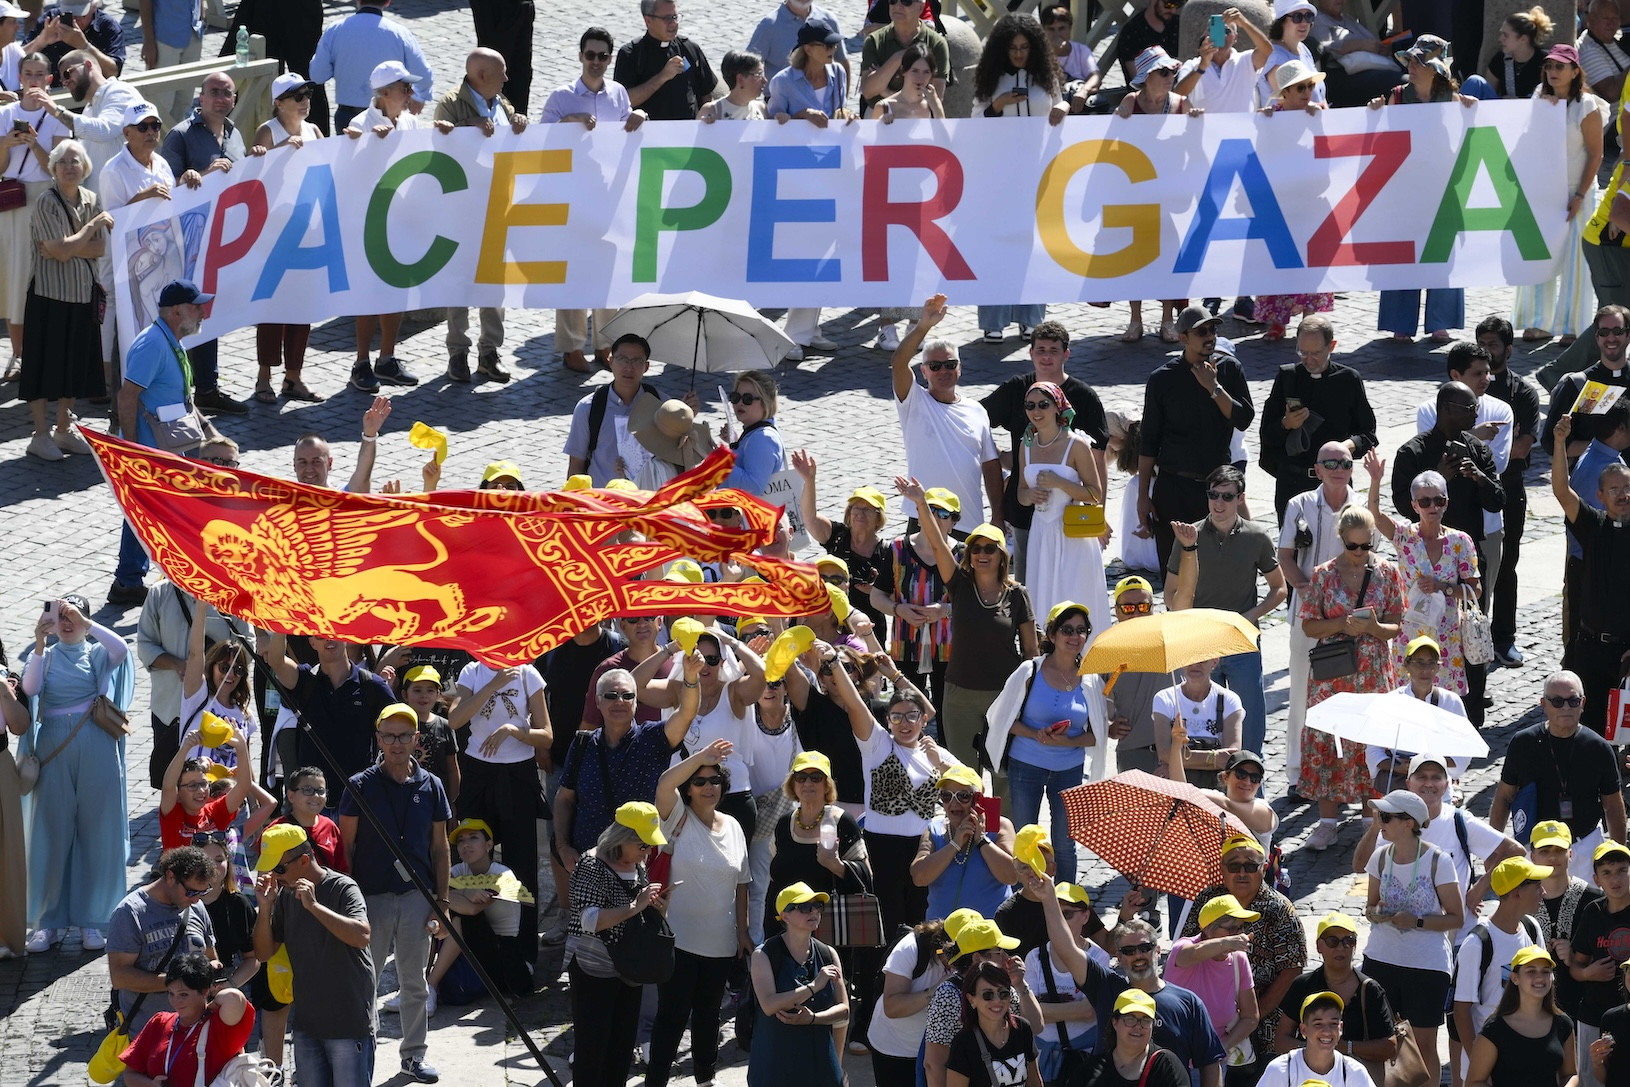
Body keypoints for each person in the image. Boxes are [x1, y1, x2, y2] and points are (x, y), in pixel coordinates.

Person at [337, 703, 451, 1084]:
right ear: (379, 739)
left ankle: (414, 1056)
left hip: (416, 895)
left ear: (416, 739)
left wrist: (443, 901)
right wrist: (349, 901)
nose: (397, 743)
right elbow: (346, 846)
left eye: (404, 735)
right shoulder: (360, 785)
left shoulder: (432, 785)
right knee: (364, 983)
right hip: (370, 896)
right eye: (389, 735)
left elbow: (440, 847)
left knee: (414, 980)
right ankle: (361, 1057)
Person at [1027, 874, 1227, 1086]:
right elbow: (1066, 948)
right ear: (1119, 958)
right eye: (1129, 951)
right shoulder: (1107, 987)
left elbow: (1210, 1064)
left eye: (1145, 947)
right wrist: (1048, 898)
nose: (1138, 955)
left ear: (1158, 950)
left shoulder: (1188, 1002)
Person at [899, 477, 1037, 774]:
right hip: (959, 694)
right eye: (976, 549)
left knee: (1002, 774)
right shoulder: (959, 586)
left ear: (1002, 555)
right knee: (961, 775)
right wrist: (921, 503)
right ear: (969, 556)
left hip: (1003, 695)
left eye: (990, 549)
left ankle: (1004, 823)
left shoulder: (1018, 594)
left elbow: (1030, 652)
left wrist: (1027, 698)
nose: (982, 554)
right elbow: (937, 546)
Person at [21, 593, 130, 953]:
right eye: (61, 616)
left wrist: (89, 623)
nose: (67, 622)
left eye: (74, 617)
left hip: (96, 744)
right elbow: (30, 688)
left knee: (97, 831)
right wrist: (38, 642)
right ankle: (46, 922)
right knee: (51, 831)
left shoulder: (97, 652)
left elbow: (121, 650)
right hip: (55, 746)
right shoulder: (47, 657)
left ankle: (93, 919)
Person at [1297, 506, 1406, 849]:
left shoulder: (1387, 573)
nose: (1360, 554)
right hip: (1334, 675)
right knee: (1327, 741)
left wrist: (1373, 627)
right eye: (1353, 546)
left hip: (1373, 673)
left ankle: (1368, 820)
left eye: (1366, 545)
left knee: (1371, 743)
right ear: (1341, 540)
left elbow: (1396, 625)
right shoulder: (1323, 575)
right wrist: (1342, 624)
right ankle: (1327, 822)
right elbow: (1309, 624)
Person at [648, 740, 752, 1087]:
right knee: (672, 1018)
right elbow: (663, 783)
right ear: (688, 789)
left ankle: (705, 1079)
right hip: (676, 939)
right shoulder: (676, 815)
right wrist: (700, 758)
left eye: (715, 781)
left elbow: (742, 883)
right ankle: (656, 1081)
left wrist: (742, 932)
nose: (709, 787)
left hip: (721, 942)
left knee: (708, 1018)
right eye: (700, 781)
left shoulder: (735, 827)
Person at [1166, 465, 1286, 759]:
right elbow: (1169, 593)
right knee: (1204, 722)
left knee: (1250, 718)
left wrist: (1249, 617)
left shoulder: (1256, 536)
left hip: (1241, 641)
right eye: (1213, 495)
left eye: (1227, 497)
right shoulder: (1187, 536)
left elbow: (1279, 588)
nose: (1219, 503)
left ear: (1240, 498)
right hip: (1200, 642)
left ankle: (1251, 784)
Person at [982, 603, 1106, 884]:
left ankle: (1066, 902)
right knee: (1025, 837)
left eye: (1081, 631)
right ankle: (1024, 900)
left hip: (1069, 769)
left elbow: (1098, 735)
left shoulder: (1090, 679)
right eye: (1067, 630)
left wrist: (1069, 740)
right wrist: (1034, 734)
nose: (1074, 637)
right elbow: (1001, 719)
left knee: (1064, 844)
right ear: (1051, 634)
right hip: (1026, 765)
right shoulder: (1030, 671)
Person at [545, 31, 646, 373]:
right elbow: (539, 143)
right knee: (572, 272)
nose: (596, 61)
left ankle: (605, 344)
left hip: (607, 195)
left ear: (610, 59)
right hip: (571, 194)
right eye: (591, 54)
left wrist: (640, 115)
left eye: (603, 56)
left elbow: (625, 129)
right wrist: (569, 122)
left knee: (607, 271)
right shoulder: (561, 96)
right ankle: (572, 347)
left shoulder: (617, 93)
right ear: (580, 56)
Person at [981, 322, 1111, 582]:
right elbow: (976, 421)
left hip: (1072, 515)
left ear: (1066, 354)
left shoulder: (1085, 397)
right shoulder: (1015, 389)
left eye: (1054, 350)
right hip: (1025, 511)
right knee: (1031, 584)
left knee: (1072, 582)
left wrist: (1099, 515)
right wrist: (998, 455)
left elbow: (1098, 460)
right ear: (1030, 353)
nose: (1047, 356)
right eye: (1040, 349)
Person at [252, 823, 377, 1087]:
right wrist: (265, 909)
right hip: (307, 1025)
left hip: (348, 1024)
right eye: (270, 868)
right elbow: (263, 954)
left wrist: (314, 906)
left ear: (305, 860)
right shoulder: (285, 895)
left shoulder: (343, 887)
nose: (274, 875)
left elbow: (362, 935)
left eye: (280, 868)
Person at [1278, 441, 1369, 795]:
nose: (1336, 467)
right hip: (1307, 616)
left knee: (1349, 695)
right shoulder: (1298, 505)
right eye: (1329, 462)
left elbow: (1370, 554)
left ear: (1351, 468)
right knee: (1301, 691)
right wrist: (1303, 587)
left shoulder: (1362, 506)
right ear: (1317, 469)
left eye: (1344, 462)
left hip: (1349, 618)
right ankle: (1297, 772)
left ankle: (1348, 772)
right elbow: (1285, 554)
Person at [450, 655, 552, 967]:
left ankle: (522, 954)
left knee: (521, 864)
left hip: (518, 773)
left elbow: (547, 734)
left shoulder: (528, 674)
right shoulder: (472, 671)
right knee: (471, 858)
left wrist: (513, 729)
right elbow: (455, 719)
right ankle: (473, 948)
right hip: (478, 772)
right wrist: (492, 684)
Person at [1369, 37, 1474, 341]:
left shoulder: (1454, 100)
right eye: (1411, 61)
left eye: (1419, 62)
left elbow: (1466, 139)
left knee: (1441, 253)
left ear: (1436, 70)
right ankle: (1401, 324)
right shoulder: (1398, 97)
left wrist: (1471, 112)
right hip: (1405, 190)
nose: (1411, 67)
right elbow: (1382, 142)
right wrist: (1375, 113)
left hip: (1443, 189)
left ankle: (1439, 322)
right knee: (1404, 253)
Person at [1180, 833, 1307, 1078]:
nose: (1242, 873)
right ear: (1222, 869)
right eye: (1234, 865)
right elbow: (1186, 948)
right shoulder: (1207, 900)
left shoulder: (1279, 909)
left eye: (1250, 866)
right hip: (1210, 1016)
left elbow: (1292, 968)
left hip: (1264, 1020)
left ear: (1264, 868)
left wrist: (1255, 1014)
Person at [433, 48, 526, 385]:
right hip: (461, 209)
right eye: (501, 72)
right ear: (481, 76)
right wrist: (463, 128)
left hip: (497, 207)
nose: (507, 78)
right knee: (458, 283)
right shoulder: (450, 104)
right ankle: (458, 352)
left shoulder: (501, 103)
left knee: (493, 283)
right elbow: (437, 145)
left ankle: (489, 352)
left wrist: (520, 123)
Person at [1364, 453, 1482, 716]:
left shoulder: (1460, 541)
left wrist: (1444, 587)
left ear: (1446, 503)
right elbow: (1374, 515)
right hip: (1410, 631)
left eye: (1438, 500)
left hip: (1446, 635)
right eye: (1425, 501)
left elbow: (1475, 590)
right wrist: (1375, 481)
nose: (1433, 507)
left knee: (1443, 705)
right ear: (1415, 505)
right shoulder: (1405, 536)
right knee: (1407, 701)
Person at [1361, 789, 1465, 1087]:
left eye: (1386, 816)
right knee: (1380, 1040)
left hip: (1426, 965)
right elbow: (1369, 906)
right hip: (1381, 959)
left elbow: (1456, 917)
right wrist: (1377, 912)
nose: (1379, 820)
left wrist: (1416, 921)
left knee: (1423, 1045)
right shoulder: (1380, 858)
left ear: (1409, 823)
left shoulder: (1438, 860)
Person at [970, 14, 1064, 342]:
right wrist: (998, 105)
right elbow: (974, 121)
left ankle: (1030, 317)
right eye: (1013, 48)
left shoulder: (1045, 75)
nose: (1019, 54)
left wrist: (1063, 107)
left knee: (1031, 246)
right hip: (997, 174)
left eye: (1025, 47)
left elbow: (1057, 100)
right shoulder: (990, 79)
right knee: (996, 244)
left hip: (1036, 173)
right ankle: (994, 320)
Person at [1138, 305, 1255, 568]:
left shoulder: (1230, 370)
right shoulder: (1162, 379)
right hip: (1173, 488)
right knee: (1174, 569)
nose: (1209, 336)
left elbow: (1243, 418)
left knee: (1218, 570)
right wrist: (1142, 496)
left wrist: (1214, 389)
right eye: (1201, 331)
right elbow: (1149, 441)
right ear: (1183, 338)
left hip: (1217, 490)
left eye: (1212, 329)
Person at [566, 802, 670, 1087]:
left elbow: (639, 912)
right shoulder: (591, 864)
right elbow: (588, 920)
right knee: (592, 1049)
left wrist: (656, 908)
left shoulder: (638, 865)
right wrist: (635, 906)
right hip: (594, 971)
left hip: (629, 970)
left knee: (621, 1049)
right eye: (643, 845)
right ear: (622, 838)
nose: (647, 852)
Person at [342, 60, 430, 393]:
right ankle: (362, 361)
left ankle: (387, 358)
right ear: (385, 93)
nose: (411, 94)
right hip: (370, 220)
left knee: (397, 290)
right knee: (368, 294)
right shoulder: (360, 123)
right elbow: (350, 169)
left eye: (410, 88)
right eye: (405, 89)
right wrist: (367, 144)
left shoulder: (410, 122)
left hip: (402, 218)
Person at [19, 136, 107, 464]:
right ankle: (39, 435)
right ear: (53, 168)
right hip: (49, 295)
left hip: (81, 294)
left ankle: (63, 428)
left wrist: (68, 245)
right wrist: (92, 228)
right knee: (43, 367)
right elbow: (58, 251)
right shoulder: (46, 201)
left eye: (75, 161)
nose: (69, 167)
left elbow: (94, 249)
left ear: (84, 168)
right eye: (63, 162)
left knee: (73, 365)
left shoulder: (90, 198)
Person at [1490, 672, 1626, 879]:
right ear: (1543, 704)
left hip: (1584, 846)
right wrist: (1495, 848)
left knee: (1586, 909)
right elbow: (1504, 797)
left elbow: (1613, 805)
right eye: (1557, 701)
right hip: (1536, 849)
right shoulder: (1523, 743)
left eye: (1573, 701)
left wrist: (1619, 856)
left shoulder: (1598, 748)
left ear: (1583, 703)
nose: (1565, 707)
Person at [1511, 45, 1605, 345]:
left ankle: (1573, 325)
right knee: (1539, 254)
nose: (1553, 72)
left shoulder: (1586, 105)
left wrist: (1579, 194)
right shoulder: (1540, 97)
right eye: (1550, 66)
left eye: (1560, 67)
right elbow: (1526, 140)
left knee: (1576, 261)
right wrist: (1542, 112)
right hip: (1543, 189)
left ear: (1575, 71)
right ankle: (1538, 322)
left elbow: (1596, 155)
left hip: (1577, 189)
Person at [894, 295, 1004, 530]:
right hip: (923, 519)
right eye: (935, 366)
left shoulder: (977, 411)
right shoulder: (913, 400)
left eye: (950, 364)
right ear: (923, 372)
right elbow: (899, 362)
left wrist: (997, 516)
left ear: (960, 369)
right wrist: (923, 326)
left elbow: (991, 466)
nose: (943, 370)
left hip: (968, 521)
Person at [246, 72, 324, 403]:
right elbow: (255, 178)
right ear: (279, 104)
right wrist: (278, 151)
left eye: (306, 94)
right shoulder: (269, 130)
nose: (305, 101)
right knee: (272, 307)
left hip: (306, 226)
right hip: (275, 230)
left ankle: (293, 377)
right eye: (297, 97)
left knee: (301, 305)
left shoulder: (315, 130)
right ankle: (264, 377)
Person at [1549, 415, 1630, 728]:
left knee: (1622, 734)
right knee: (1592, 728)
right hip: (1590, 650)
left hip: (1626, 653)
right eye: (1614, 489)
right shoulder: (1593, 526)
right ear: (1600, 496)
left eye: (1627, 488)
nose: (1623, 494)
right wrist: (1559, 444)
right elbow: (1561, 491)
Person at [1114, 50, 1198, 345]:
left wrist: (1196, 122)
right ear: (1147, 77)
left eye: (1171, 73)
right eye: (1163, 73)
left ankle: (1167, 319)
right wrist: (1119, 119)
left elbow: (1195, 143)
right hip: (1136, 190)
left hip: (1169, 192)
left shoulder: (1181, 104)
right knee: (1135, 256)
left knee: (1167, 256)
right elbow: (1114, 139)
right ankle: (1135, 319)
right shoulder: (1130, 101)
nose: (1169, 78)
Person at [1016, 382, 1109, 631]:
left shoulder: (1076, 445)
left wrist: (1060, 483)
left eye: (1043, 405)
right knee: (1042, 593)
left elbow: (1095, 494)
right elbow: (1020, 494)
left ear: (1057, 407)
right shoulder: (1025, 446)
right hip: (1041, 532)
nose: (1037, 411)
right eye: (1030, 405)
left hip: (1072, 535)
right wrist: (1031, 495)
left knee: (1075, 593)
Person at [258, 631, 397, 797]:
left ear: (346, 637)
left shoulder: (372, 685)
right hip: (312, 799)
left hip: (357, 799)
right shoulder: (305, 681)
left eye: (333, 633)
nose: (328, 640)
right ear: (312, 642)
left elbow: (400, 729)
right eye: (320, 636)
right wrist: (282, 627)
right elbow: (276, 662)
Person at [1475, 318, 1541, 667]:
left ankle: (1504, 637)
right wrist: (1496, 441)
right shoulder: (1464, 389)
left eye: (1494, 345)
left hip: (1509, 487)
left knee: (1507, 565)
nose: (1488, 351)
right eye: (1482, 343)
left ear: (1509, 349)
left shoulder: (1523, 393)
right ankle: (1473, 638)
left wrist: (1478, 441)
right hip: (1468, 487)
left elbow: (1521, 447)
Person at [1452, 857, 1552, 1081]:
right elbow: (1461, 1011)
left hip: (1526, 1060)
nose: (1543, 892)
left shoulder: (1531, 928)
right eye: (1537, 887)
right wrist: (1480, 1066)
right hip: (1489, 1068)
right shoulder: (1477, 943)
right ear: (1516, 893)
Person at [0, 50, 66, 379]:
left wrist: (36, 145)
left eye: (40, 75)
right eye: (29, 74)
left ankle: (46, 355)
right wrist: (6, 145)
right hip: (13, 202)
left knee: (46, 280)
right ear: (20, 77)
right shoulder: (5, 113)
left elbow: (59, 170)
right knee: (14, 280)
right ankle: (21, 356)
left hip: (44, 202)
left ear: (49, 80)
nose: (34, 80)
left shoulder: (57, 116)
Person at [748, 882, 849, 1087]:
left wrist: (813, 1019)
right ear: (785, 916)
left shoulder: (828, 954)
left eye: (817, 906)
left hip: (820, 1066)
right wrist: (813, 987)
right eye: (804, 907)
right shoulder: (764, 954)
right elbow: (769, 1005)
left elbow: (844, 1011)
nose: (813, 911)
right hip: (774, 1067)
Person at [763, 749, 874, 936]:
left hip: (831, 933)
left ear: (827, 785)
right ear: (793, 783)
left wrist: (835, 865)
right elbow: (774, 878)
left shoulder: (842, 822)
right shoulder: (783, 824)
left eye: (816, 777)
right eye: (801, 777)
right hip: (783, 932)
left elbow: (866, 879)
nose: (808, 783)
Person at [925, 918, 1047, 1087]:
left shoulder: (1005, 987)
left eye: (1002, 994)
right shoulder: (947, 995)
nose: (1007, 958)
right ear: (977, 958)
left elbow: (1035, 1027)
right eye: (999, 952)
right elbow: (934, 1063)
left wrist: (1020, 984)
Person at [107, 846, 219, 1031]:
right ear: (170, 877)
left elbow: (211, 957)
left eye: (202, 892)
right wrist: (178, 984)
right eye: (191, 892)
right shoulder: (130, 913)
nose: (196, 900)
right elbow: (120, 977)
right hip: (146, 1036)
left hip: (195, 1032)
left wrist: (212, 970)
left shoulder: (197, 908)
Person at [1275, 913, 1398, 1080]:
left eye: (1348, 941)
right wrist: (1316, 1047)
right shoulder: (1303, 985)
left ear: (1355, 946)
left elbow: (1389, 1047)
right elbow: (1281, 1040)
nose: (1341, 948)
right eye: (1332, 941)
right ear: (1319, 946)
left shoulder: (1370, 990)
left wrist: (1345, 1047)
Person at [116, 951, 255, 1087]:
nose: (176, 1001)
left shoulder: (219, 1026)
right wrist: (151, 1085)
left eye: (183, 995)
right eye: (171, 993)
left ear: (205, 991)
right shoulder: (159, 1022)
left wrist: (214, 1004)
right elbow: (130, 1075)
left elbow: (234, 997)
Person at [428, 818, 528, 998]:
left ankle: (430, 987)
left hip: (502, 952)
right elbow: (434, 898)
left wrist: (440, 897)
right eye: (461, 841)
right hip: (475, 947)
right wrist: (463, 891)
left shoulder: (502, 875)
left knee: (460, 917)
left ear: (489, 845)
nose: (466, 845)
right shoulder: (459, 871)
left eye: (473, 838)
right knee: (437, 913)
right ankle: (420, 981)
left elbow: (471, 910)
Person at [1163, 895, 1261, 1077]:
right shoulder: (1183, 948)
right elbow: (1188, 956)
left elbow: (1251, 1017)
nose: (1238, 934)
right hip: (1174, 1059)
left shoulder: (1239, 959)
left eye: (1241, 927)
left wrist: (1221, 1049)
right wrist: (1225, 943)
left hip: (1212, 1062)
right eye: (1232, 928)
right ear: (1208, 930)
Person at [912, 765, 1021, 921]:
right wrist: (954, 844)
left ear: (978, 800)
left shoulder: (1000, 827)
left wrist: (982, 840)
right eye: (947, 796)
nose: (954, 803)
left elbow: (1012, 876)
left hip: (989, 932)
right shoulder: (934, 829)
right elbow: (919, 877)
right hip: (942, 933)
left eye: (963, 796)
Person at [793, 452, 889, 628]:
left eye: (867, 509)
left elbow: (897, 597)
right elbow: (810, 518)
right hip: (831, 622)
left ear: (878, 517)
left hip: (869, 624)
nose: (860, 513)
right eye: (855, 508)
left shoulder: (887, 551)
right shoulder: (837, 536)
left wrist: (876, 592)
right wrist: (809, 481)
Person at [309, 0, 432, 132]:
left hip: (348, 114)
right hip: (390, 115)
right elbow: (424, 74)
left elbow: (317, 75)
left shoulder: (335, 30)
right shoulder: (400, 33)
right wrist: (419, 97)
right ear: (387, 2)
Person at [1466, 946, 1577, 1087]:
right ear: (1515, 978)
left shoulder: (1563, 1024)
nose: (1539, 977)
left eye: (1545, 972)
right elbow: (1474, 1082)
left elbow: (1570, 1074)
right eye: (1531, 971)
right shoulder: (1495, 1029)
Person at [562, 333, 660, 484]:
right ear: (611, 361)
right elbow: (576, 466)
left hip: (649, 500)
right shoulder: (588, 408)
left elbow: (676, 459)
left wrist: (684, 417)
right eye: (622, 359)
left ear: (646, 367)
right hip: (604, 502)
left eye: (636, 361)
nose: (629, 367)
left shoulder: (660, 404)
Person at [872, 917, 957, 1087]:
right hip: (896, 1050)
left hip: (942, 1050)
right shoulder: (911, 947)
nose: (955, 963)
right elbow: (892, 1007)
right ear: (941, 944)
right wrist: (935, 991)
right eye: (950, 954)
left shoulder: (979, 957)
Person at [614, 0, 717, 120]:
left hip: (688, 132)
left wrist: (708, 116)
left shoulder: (689, 48)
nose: (673, 23)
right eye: (667, 18)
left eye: (675, 17)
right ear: (648, 20)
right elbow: (623, 101)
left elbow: (706, 94)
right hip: (648, 134)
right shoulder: (631, 54)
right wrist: (662, 77)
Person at [947, 959, 1043, 1087]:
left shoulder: (1022, 1028)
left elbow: (1035, 1083)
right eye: (988, 995)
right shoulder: (963, 1043)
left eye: (1003, 993)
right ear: (971, 1000)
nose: (997, 1000)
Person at [1154, 660, 1244, 794]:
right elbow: (1164, 753)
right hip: (1178, 788)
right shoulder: (1164, 698)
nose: (1195, 665)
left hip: (1216, 791)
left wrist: (1177, 760)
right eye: (1190, 660)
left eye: (1202, 661)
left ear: (1214, 662)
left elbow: (1230, 757)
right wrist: (1214, 758)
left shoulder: (1230, 700)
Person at [1256, 991, 1375, 1087]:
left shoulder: (1353, 1072)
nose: (1327, 1031)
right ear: (1304, 1030)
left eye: (1333, 1023)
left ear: (1341, 1028)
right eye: (1318, 1024)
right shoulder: (1281, 1070)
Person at [1074, 989, 1190, 1087]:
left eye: (1145, 1020)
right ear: (1115, 1022)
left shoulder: (1166, 1066)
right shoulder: (1090, 1071)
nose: (1138, 1026)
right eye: (1130, 1019)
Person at [1175, 6, 1272, 115]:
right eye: (1216, 30)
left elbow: (1268, 52)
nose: (1222, 35)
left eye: (1227, 31)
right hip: (1205, 131)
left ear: (1235, 38)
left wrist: (1243, 22)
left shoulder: (1246, 60)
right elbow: (1178, 95)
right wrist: (1202, 67)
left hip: (1242, 130)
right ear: (1207, 35)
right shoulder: (1193, 65)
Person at [858, 0, 948, 116]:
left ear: (921, 7)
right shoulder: (874, 41)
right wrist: (897, 58)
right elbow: (869, 91)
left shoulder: (936, 44)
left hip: (921, 114)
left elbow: (935, 98)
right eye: (892, 1)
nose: (897, 6)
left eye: (906, 2)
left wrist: (886, 92)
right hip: (881, 112)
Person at [25, 2, 123, 86]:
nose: (74, 20)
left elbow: (113, 72)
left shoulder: (107, 26)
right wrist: (41, 41)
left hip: (93, 93)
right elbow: (16, 61)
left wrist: (85, 47)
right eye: (68, 14)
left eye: (81, 15)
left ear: (93, 7)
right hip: (52, 93)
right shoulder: (50, 20)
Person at [723, 370, 787, 497]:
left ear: (765, 402)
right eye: (736, 397)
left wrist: (720, 461)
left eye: (748, 399)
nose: (739, 403)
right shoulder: (755, 433)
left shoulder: (763, 439)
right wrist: (735, 442)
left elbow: (752, 487)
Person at [749, 0, 848, 83]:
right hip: (781, 100)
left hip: (824, 99)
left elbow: (842, 61)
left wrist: (843, 101)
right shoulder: (769, 26)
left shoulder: (829, 20)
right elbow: (749, 66)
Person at [1111, 0, 1180, 85]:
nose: (1173, 10)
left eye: (1178, 4)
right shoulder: (1132, 32)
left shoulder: (1178, 24)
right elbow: (1138, 80)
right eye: (1169, 4)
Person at [1488, 6, 1552, 99]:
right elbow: (1488, 97)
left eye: (1505, 35)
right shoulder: (1499, 59)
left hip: (1535, 111)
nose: (1500, 39)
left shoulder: (1545, 61)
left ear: (1523, 39)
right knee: (1475, 81)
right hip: (1503, 111)